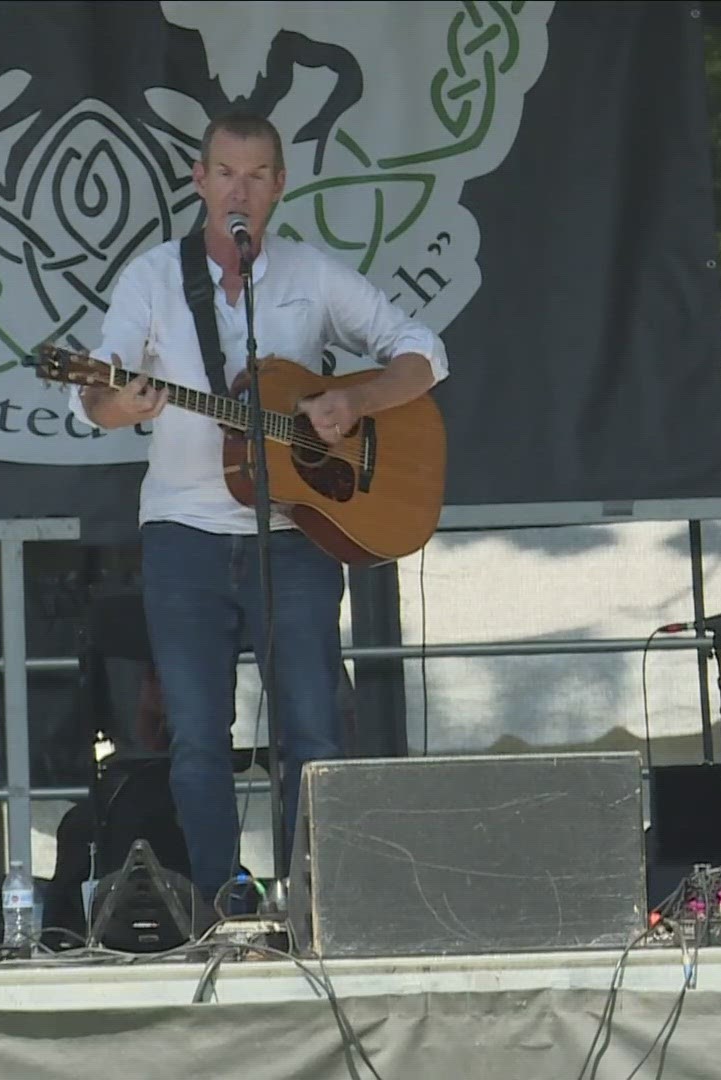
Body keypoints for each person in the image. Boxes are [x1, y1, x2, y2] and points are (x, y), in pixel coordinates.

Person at [69, 111, 449, 906]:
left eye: (256, 176)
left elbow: (423, 350)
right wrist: (122, 407)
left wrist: (355, 400)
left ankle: (314, 901)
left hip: (297, 537)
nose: (239, 191)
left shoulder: (311, 276)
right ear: (201, 180)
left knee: (312, 731)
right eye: (225, 174)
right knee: (198, 741)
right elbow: (98, 392)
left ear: (279, 185)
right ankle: (222, 903)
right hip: (185, 535)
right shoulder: (151, 278)